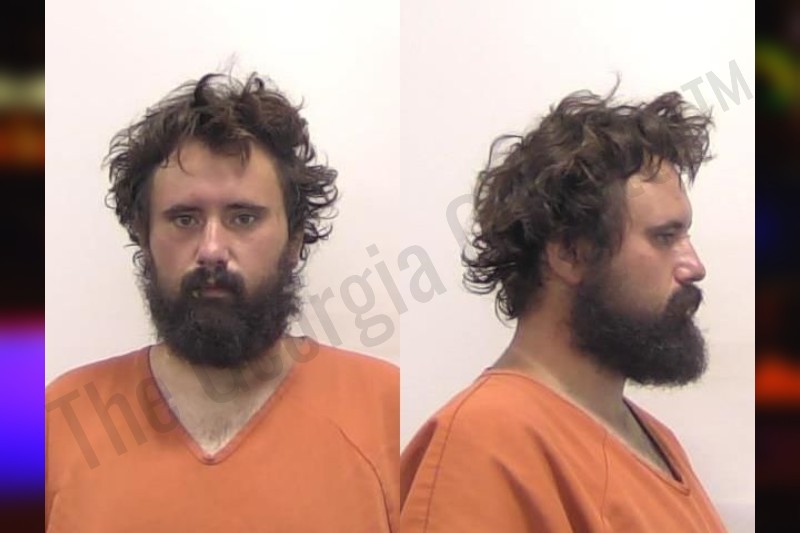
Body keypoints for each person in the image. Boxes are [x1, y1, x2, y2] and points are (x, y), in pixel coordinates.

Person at [46, 73, 398, 532]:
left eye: (243, 218)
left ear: (295, 239)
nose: (212, 249)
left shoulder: (385, 412)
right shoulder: (55, 424)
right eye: (185, 219)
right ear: (144, 237)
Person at [400, 87, 727, 532]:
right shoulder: (484, 446)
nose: (695, 266)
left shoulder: (657, 443)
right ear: (570, 253)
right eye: (665, 237)